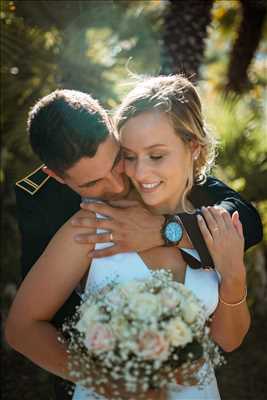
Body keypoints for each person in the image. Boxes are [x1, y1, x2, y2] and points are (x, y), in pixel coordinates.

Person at [6, 76, 252, 400]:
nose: (126, 179)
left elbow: (227, 340)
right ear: (59, 178)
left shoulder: (207, 219)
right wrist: (115, 385)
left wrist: (233, 274)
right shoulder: (90, 226)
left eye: (119, 159)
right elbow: (23, 328)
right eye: (93, 182)